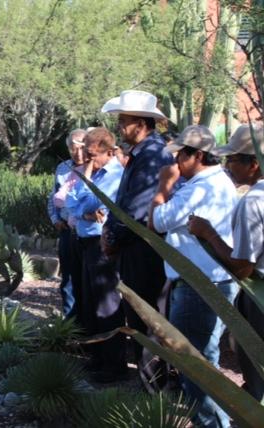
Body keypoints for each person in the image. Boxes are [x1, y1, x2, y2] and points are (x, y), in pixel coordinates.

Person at [149, 125, 238, 427]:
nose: (175, 163)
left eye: (180, 156)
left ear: (198, 155)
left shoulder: (201, 186)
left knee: (195, 364)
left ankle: (212, 424)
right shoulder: (214, 181)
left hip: (198, 285)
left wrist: (163, 186)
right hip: (208, 282)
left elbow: (158, 221)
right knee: (204, 362)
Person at [188, 123, 264, 403]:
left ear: (253, 164)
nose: (227, 165)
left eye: (232, 159)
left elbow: (243, 266)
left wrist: (208, 233)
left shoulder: (254, 201)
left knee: (257, 376)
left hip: (259, 301)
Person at [100, 90, 174, 362]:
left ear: (142, 124)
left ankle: (153, 382)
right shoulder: (144, 153)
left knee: (148, 315)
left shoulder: (152, 155)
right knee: (139, 313)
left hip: (144, 248)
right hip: (134, 244)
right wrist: (110, 230)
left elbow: (139, 207)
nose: (119, 127)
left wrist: (113, 237)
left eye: (124, 121)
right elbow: (125, 201)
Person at [65, 128, 126, 383]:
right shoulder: (94, 172)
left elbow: (92, 205)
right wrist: (88, 176)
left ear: (109, 151)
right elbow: (71, 203)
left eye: (93, 155)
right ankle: (98, 358)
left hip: (103, 244)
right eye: (86, 154)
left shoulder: (114, 176)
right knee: (90, 303)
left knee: (106, 304)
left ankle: (114, 365)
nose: (88, 159)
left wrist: (83, 209)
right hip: (86, 242)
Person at [48, 129, 86, 317]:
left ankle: (88, 322)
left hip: (86, 231)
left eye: (81, 147)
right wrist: (55, 219)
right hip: (66, 230)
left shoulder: (94, 168)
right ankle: (70, 322)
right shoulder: (62, 168)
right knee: (68, 279)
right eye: (73, 148)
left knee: (86, 278)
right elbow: (52, 196)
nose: (78, 152)